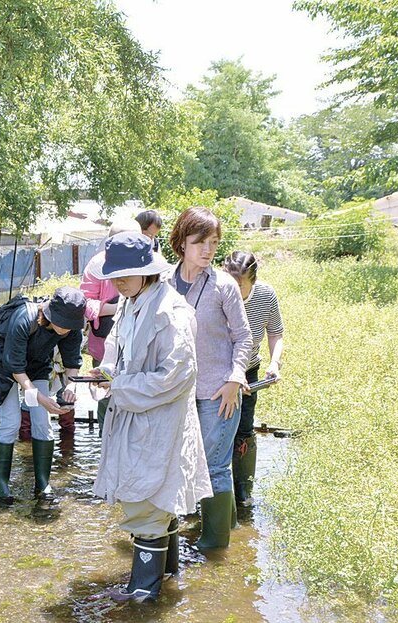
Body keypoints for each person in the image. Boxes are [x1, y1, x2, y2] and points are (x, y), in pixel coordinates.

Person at [90, 232, 211, 603]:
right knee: (158, 496)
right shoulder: (132, 301)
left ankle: (143, 591)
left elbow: (177, 375)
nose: (118, 282)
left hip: (160, 419)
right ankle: (168, 574)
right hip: (135, 412)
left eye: (126, 274)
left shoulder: (171, 312)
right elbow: (116, 347)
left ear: (147, 271)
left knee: (149, 499)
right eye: (115, 275)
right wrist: (106, 372)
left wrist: (122, 386)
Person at [167, 207, 252, 550]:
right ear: (181, 242)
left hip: (219, 391)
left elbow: (244, 337)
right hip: (176, 391)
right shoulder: (163, 283)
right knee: (180, 461)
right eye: (199, 241)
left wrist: (235, 378)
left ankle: (215, 545)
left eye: (213, 242)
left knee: (214, 464)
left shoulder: (224, 285)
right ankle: (227, 522)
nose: (207, 249)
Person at [0, 287, 85, 504]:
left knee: (42, 423)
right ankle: (0, 488)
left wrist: (71, 388)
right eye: (61, 323)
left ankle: (43, 483)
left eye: (70, 325)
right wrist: (41, 398)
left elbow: (72, 362)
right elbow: (16, 368)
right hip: (6, 369)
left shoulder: (72, 326)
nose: (65, 330)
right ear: (49, 314)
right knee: (11, 422)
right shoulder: (25, 318)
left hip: (37, 368)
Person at [224, 251, 285, 508]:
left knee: (244, 429)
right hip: (217, 372)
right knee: (212, 429)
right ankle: (210, 492)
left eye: (239, 285)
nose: (233, 290)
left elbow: (276, 333)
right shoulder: (216, 292)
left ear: (253, 280)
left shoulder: (265, 295)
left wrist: (274, 363)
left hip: (249, 371)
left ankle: (242, 491)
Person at [78, 218, 142, 434]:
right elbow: (84, 302)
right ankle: (107, 447)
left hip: (140, 346)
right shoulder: (96, 266)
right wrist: (115, 308)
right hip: (105, 345)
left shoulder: (148, 266)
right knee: (106, 397)